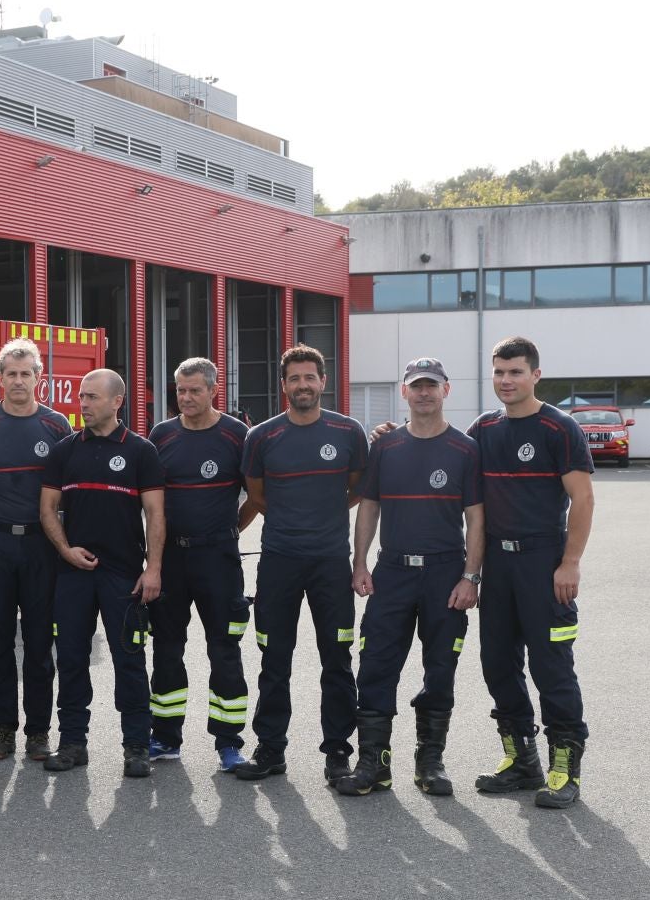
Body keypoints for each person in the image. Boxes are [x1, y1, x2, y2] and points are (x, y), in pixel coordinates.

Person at [335, 357, 482, 797]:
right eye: (416, 386)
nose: (424, 393)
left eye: (431, 386)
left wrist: (471, 577)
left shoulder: (465, 449)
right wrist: (360, 563)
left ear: (445, 391)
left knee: (440, 670)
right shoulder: (385, 446)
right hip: (393, 571)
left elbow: (477, 519)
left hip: (445, 572)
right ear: (404, 392)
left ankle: (430, 762)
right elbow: (369, 506)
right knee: (377, 666)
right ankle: (374, 765)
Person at [467, 336, 595, 807]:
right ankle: (522, 760)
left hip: (544, 562)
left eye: (515, 372)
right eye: (499, 372)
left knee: (551, 667)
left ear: (535, 375)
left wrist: (570, 562)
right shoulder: (483, 429)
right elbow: (442, 453)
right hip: (498, 564)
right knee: (497, 664)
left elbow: (582, 499)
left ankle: (565, 768)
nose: (506, 380)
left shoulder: (559, 429)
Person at [236, 345, 368, 783]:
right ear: (284, 386)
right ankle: (271, 750)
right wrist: (291, 521)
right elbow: (256, 495)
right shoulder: (263, 437)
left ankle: (337, 754)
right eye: (294, 379)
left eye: (310, 377)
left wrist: (321, 519)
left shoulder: (348, 432)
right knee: (274, 659)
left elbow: (355, 491)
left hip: (331, 564)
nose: (303, 385)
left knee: (337, 659)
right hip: (279, 563)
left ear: (323, 382)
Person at [38, 368, 165, 779]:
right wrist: (64, 549)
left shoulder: (141, 451)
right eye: (81, 396)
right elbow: (47, 509)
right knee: (72, 660)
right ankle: (73, 743)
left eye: (92, 397)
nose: (83, 404)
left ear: (117, 401)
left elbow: (155, 514)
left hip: (123, 575)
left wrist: (154, 569)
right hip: (73, 574)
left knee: (129, 660)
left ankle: (136, 747)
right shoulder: (64, 450)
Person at [0, 338, 72, 762]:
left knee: (39, 643)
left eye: (26, 373)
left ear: (39, 378)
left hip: (40, 545)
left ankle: (39, 732)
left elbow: (68, 487)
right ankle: (3, 730)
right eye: (10, 373)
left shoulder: (57, 425)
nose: (18, 380)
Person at [146, 357, 255, 771]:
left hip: (219, 560)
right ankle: (166, 737)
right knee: (167, 649)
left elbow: (256, 497)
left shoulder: (235, 434)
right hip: (170, 558)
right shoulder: (162, 435)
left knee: (224, 650)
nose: (186, 398)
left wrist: (228, 531)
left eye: (194, 390)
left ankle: (228, 743)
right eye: (180, 390)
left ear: (213, 391)